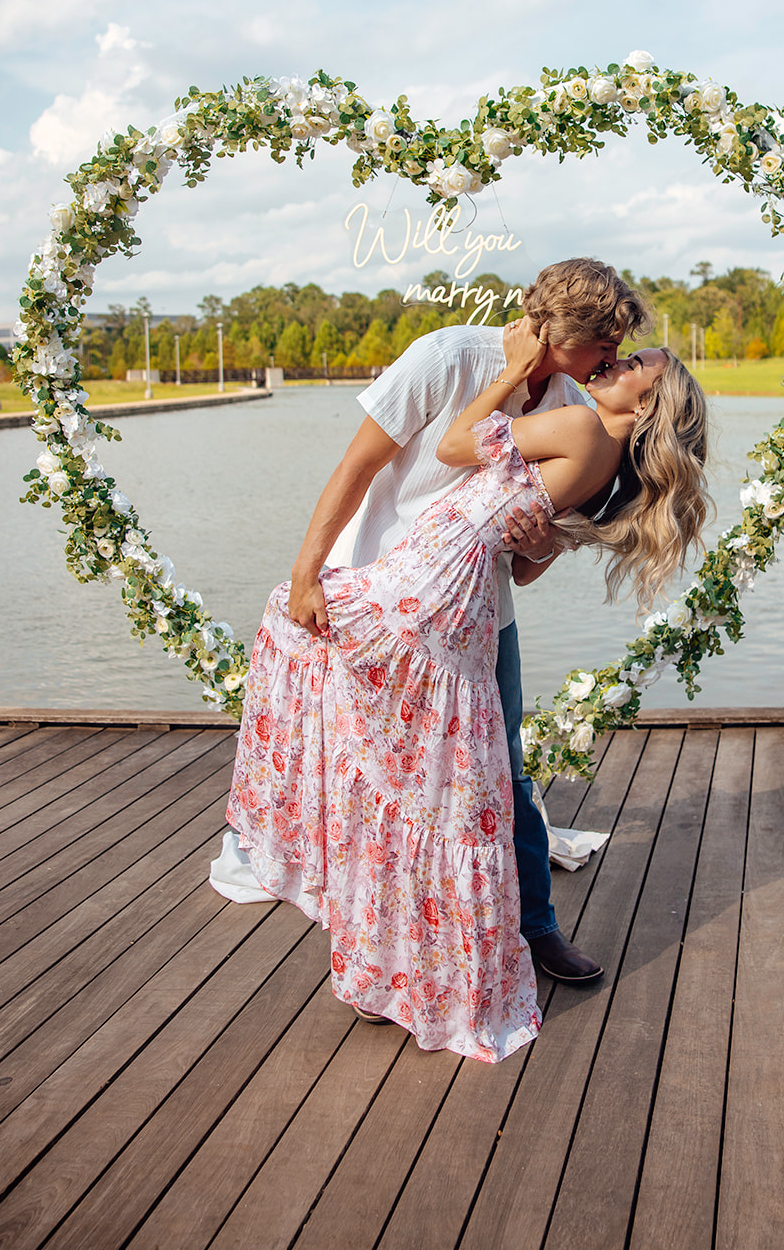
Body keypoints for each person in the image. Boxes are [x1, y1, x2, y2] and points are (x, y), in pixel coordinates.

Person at [226, 320, 709, 1060]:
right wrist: (536, 528)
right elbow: (525, 556)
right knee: (444, 788)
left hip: (433, 594)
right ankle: (406, 963)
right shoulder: (605, 454)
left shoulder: (580, 417)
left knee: (406, 759)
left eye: (636, 362)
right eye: (617, 347)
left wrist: (507, 379)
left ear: (647, 406)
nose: (620, 357)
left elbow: (457, 447)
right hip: (450, 598)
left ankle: (422, 956)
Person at [284, 257, 652, 985]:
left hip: (480, 617)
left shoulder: (577, 400)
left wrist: (543, 545)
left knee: (501, 771)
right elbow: (356, 467)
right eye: (600, 345)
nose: (610, 359)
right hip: (381, 597)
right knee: (382, 778)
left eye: (616, 348)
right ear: (552, 330)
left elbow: (532, 555)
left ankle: (534, 927)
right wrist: (306, 573)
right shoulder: (448, 357)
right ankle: (390, 947)